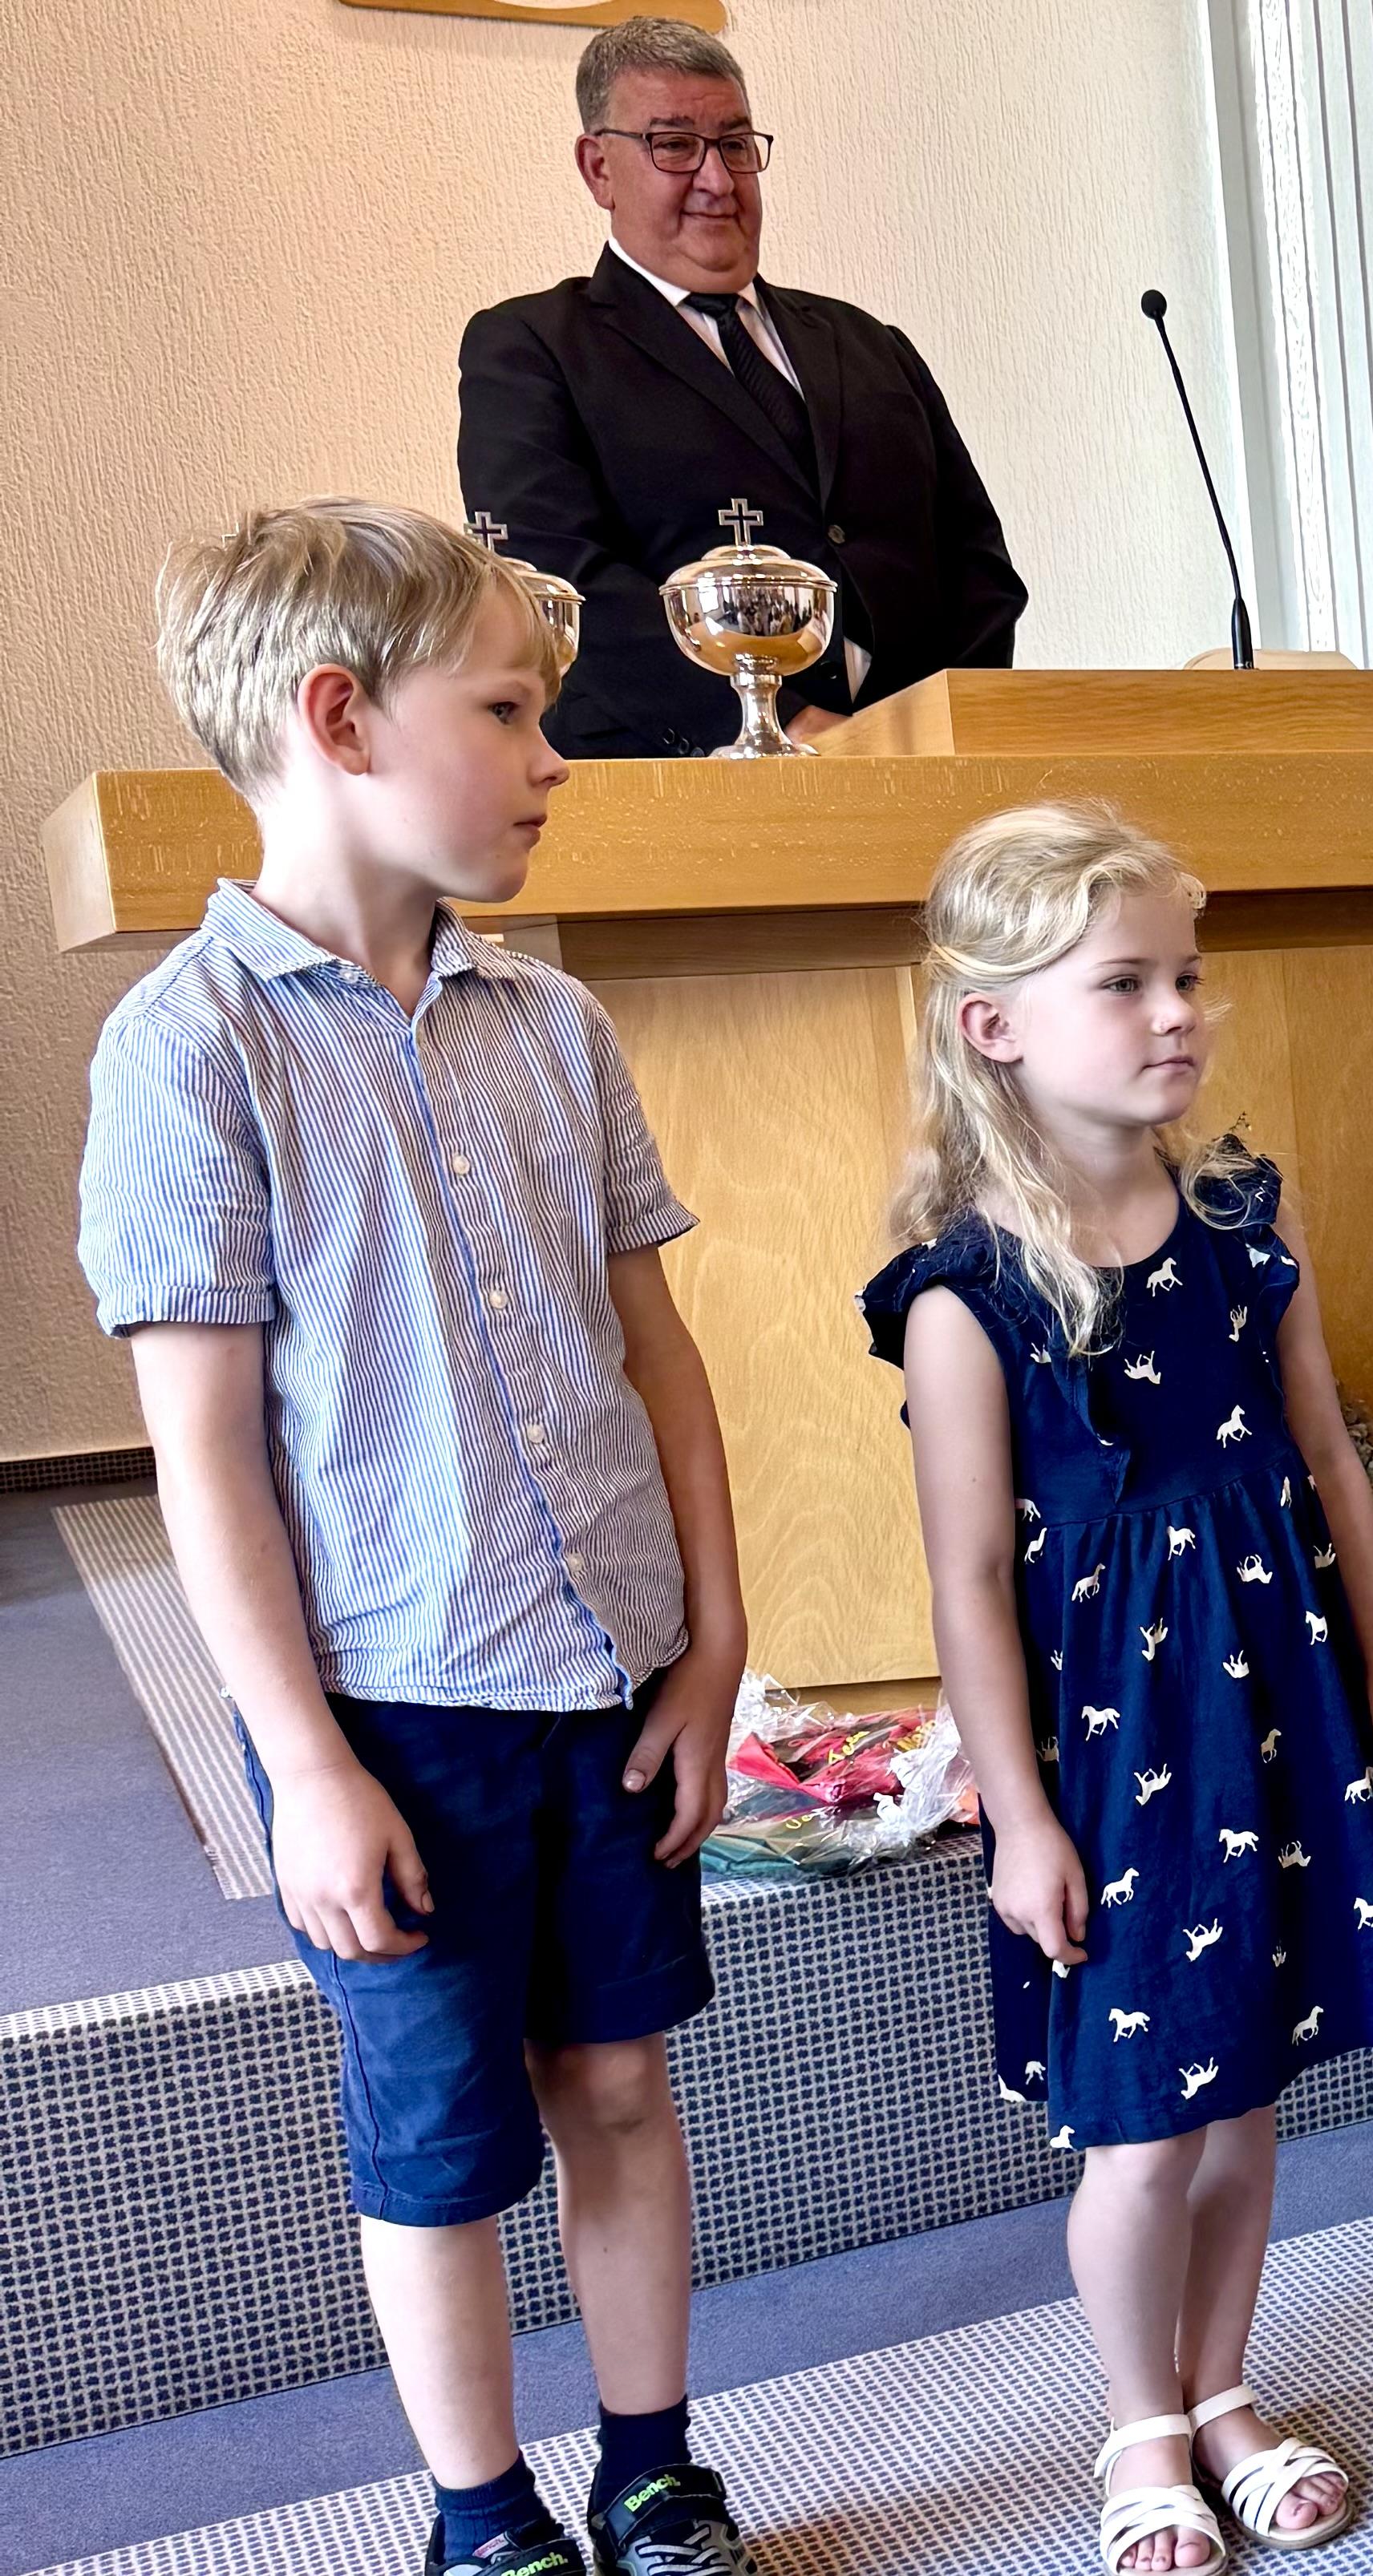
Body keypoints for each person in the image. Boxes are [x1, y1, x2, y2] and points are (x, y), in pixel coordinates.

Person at [79, 501, 755, 2576]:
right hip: (396, 1709)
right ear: (341, 718)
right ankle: (482, 2515)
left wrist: (716, 1648)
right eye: (511, 712)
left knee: (620, 2086)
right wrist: (302, 1765)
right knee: (443, 2141)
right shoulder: (189, 1047)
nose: (555, 759)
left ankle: (654, 2465)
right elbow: (205, 1458)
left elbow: (661, 1353)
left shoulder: (556, 1025)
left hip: (605, 1675)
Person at [863, 803, 1373, 2572]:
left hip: (1277, 1711)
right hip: (1112, 1758)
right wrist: (1019, 1818)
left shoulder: (1247, 1222)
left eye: (1186, 972)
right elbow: (967, 1577)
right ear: (994, 1024)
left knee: (1245, 2089)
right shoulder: (967, 1295)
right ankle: (1140, 2419)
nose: (1178, 1009)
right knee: (1142, 2121)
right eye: (1124, 981)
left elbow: (1324, 1464)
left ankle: (1225, 2383)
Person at [460, 17, 1025, 759]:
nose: (718, 180)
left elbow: (978, 565)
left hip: (922, 774)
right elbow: (558, 583)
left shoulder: (868, 342)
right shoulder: (532, 348)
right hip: (683, 780)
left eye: (734, 144)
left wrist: (944, 737)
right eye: (674, 145)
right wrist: (786, 726)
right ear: (598, 168)